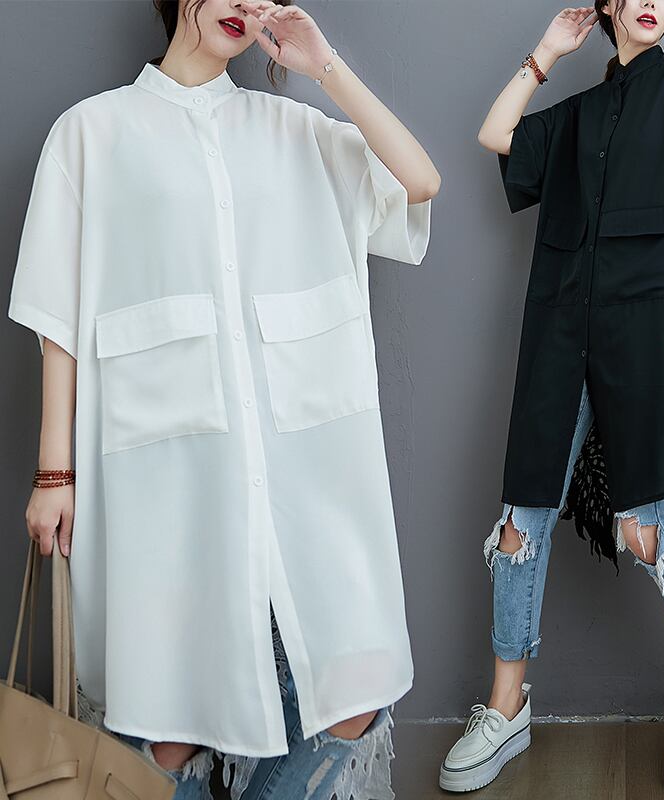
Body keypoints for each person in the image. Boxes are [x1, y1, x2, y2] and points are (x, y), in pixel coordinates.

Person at [8, 1, 439, 798]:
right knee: (169, 724)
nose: (241, 4)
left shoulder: (293, 130)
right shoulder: (91, 134)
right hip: (167, 478)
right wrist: (53, 474)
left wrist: (324, 68)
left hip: (306, 478)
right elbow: (55, 316)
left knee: (352, 693)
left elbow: (419, 182)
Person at [439, 1, 664, 795]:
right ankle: (506, 708)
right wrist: (545, 52)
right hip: (561, 330)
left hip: (647, 332)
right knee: (518, 525)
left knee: (644, 525)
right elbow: (497, 135)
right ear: (606, 6)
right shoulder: (580, 114)